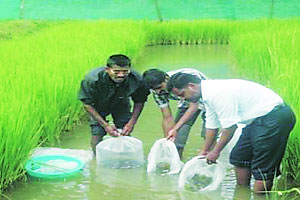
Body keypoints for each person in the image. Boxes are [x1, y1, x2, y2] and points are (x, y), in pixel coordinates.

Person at [166, 72, 296, 193]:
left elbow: (230, 127)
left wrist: (216, 151)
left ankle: (259, 195)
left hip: (274, 117)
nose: (183, 99)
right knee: (238, 157)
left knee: (262, 167)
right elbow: (212, 125)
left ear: (191, 86)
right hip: (256, 120)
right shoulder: (206, 95)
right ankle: (242, 193)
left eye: (182, 95)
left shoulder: (217, 93)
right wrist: (204, 151)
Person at [78, 54, 150, 155]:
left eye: (125, 71)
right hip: (97, 105)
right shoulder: (92, 79)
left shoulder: (137, 79)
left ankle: (125, 157)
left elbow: (140, 100)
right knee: (97, 133)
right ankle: (97, 159)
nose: (121, 75)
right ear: (107, 69)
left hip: (121, 103)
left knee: (125, 131)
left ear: (129, 69)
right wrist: (105, 125)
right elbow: (87, 104)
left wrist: (132, 122)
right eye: (116, 72)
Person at [143, 68, 207, 159]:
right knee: (177, 139)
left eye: (159, 87)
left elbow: (194, 106)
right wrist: (169, 140)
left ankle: (207, 158)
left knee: (208, 132)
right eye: (154, 89)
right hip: (185, 101)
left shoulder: (185, 78)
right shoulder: (157, 93)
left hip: (205, 100)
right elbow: (167, 117)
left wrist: (175, 128)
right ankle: (177, 161)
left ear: (166, 79)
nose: (158, 91)